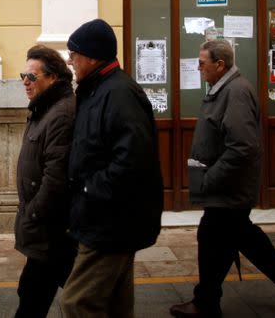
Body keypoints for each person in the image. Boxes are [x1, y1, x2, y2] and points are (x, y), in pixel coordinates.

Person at [170, 40, 275, 318]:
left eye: (202, 62)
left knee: (212, 238)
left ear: (219, 64)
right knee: (241, 239)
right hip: (227, 189)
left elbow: (243, 146)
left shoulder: (235, 93)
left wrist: (210, 178)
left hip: (228, 189)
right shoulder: (224, 89)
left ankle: (206, 302)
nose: (198, 68)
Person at [60, 18, 164, 318]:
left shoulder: (119, 94)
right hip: (106, 218)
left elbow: (133, 162)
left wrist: (89, 187)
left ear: (92, 57)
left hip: (110, 220)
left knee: (77, 302)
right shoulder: (96, 89)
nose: (70, 61)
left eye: (74, 54)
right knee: (115, 303)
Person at [13, 45, 77, 318]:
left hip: (49, 227)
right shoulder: (43, 108)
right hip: (44, 226)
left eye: (32, 77)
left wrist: (33, 214)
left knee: (32, 295)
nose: (26, 82)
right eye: (23, 76)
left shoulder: (60, 114)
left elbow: (56, 176)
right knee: (37, 292)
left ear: (52, 78)